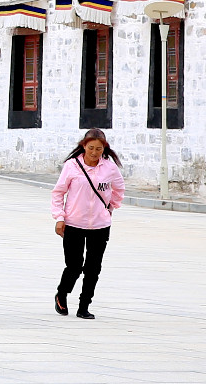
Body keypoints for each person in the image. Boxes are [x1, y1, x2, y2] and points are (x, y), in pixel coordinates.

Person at [52, 129, 125, 320]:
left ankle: (84, 305)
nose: (94, 153)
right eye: (91, 148)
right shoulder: (72, 166)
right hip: (74, 223)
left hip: (100, 226)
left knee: (93, 267)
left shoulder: (109, 168)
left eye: (98, 149)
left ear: (104, 149)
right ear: (83, 146)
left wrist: (110, 208)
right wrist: (60, 217)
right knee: (74, 265)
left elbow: (119, 189)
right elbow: (58, 193)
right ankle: (62, 293)